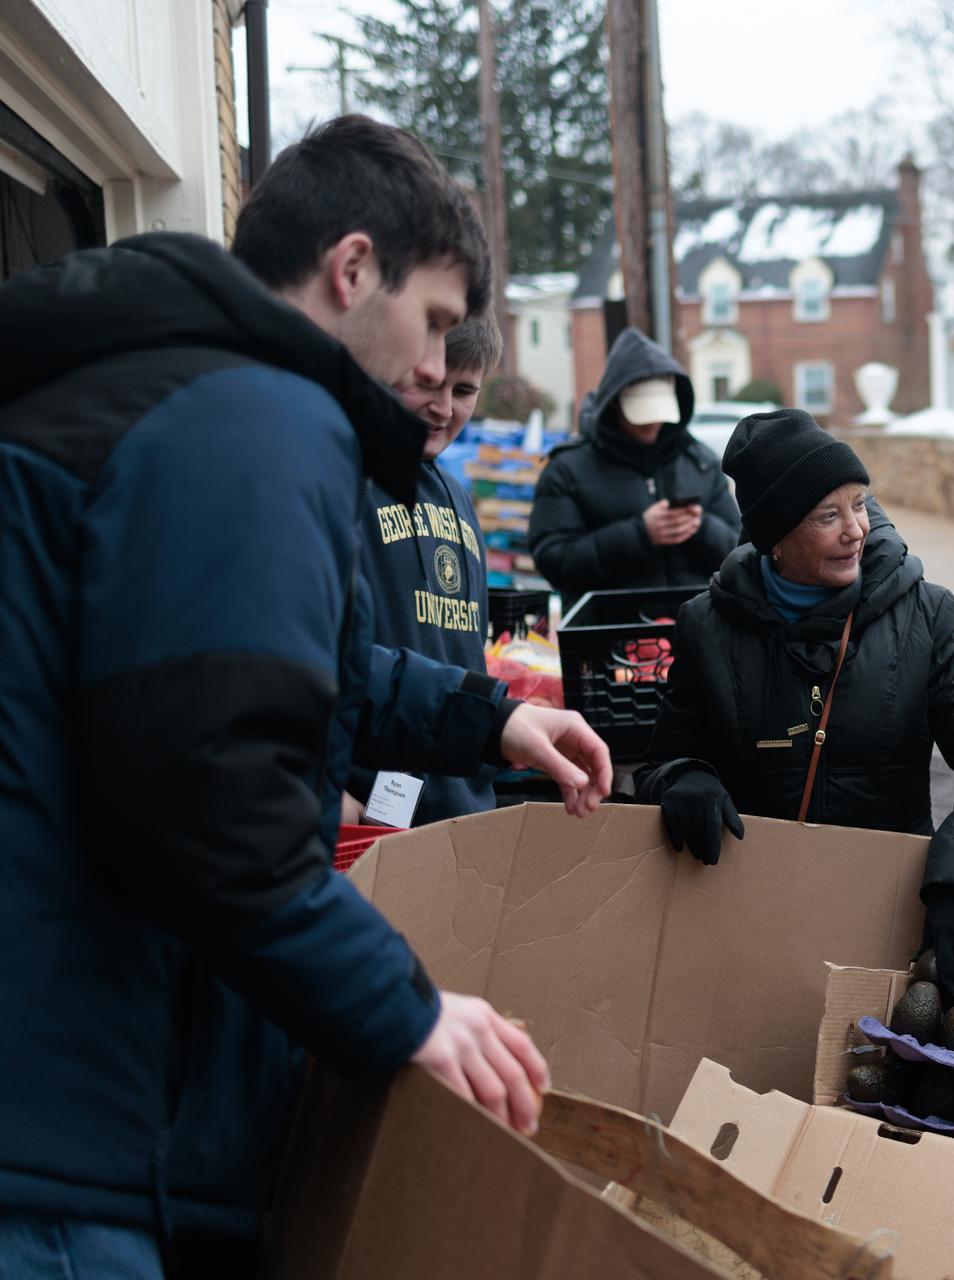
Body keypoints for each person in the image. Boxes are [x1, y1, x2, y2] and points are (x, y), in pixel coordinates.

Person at [0, 115, 612, 1275]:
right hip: (62, 1125)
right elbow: (212, 784)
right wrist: (410, 1008)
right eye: (432, 320)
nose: (438, 368)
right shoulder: (254, 411)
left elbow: (255, 668)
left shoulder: (141, 384)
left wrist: (491, 713)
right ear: (351, 268)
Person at [635, 409, 954, 989]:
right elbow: (662, 761)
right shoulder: (706, 626)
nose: (856, 530)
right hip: (752, 918)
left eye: (860, 504)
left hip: (890, 912)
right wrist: (684, 778)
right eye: (827, 516)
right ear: (775, 538)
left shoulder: (923, 613)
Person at [344, 313, 504, 828]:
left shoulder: (457, 498)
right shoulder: (346, 479)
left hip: (463, 810)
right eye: (428, 383)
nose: (443, 408)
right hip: (370, 821)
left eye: (464, 390)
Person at [530, 327, 742, 610]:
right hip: (607, 635)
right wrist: (639, 534)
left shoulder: (700, 461)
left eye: (659, 414)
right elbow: (553, 561)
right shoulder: (568, 469)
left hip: (698, 632)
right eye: (641, 416)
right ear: (614, 404)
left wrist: (700, 527)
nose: (653, 425)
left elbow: (739, 554)